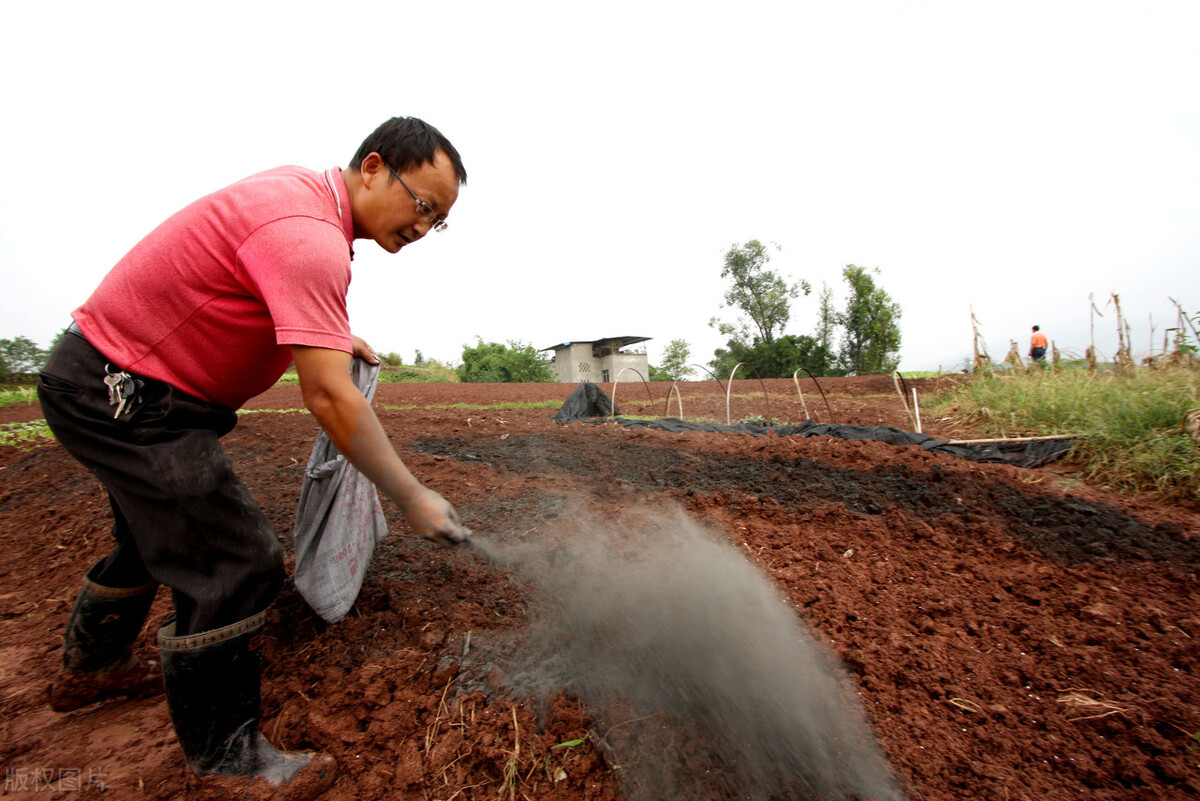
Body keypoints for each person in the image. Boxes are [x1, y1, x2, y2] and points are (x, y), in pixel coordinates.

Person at [37, 116, 470, 798]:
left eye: (438, 222)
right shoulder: (309, 237)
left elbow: (257, 286)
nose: (423, 229)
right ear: (375, 167)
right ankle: (226, 762)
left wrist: (331, 332)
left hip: (102, 379)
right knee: (236, 560)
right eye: (422, 206)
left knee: (155, 536)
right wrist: (410, 493)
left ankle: (91, 670)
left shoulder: (302, 199)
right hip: (130, 396)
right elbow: (329, 399)